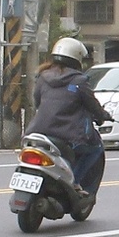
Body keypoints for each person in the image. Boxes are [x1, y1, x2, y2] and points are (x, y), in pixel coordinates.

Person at [27, 36, 112, 197]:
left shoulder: (43, 77)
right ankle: (74, 181)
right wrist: (103, 115)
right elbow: (92, 105)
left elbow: (37, 103)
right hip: (67, 135)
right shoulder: (79, 81)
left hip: (38, 131)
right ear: (77, 58)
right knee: (95, 148)